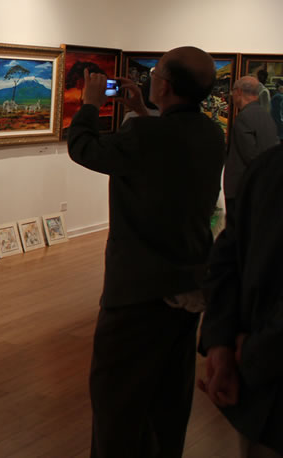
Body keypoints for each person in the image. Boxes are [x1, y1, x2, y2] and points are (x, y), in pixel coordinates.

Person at [67, 46, 226, 458]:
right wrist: (141, 111)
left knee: (117, 401)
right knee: (168, 398)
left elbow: (83, 148)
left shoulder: (144, 137)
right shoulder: (211, 134)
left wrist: (89, 104)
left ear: (165, 86)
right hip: (189, 284)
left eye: (154, 74)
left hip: (138, 291)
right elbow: (166, 150)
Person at [199, 143, 283, 457]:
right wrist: (225, 346)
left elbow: (225, 260)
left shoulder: (265, 168)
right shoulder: (266, 169)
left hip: (259, 399)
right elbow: (228, 258)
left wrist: (226, 347)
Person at [223, 76, 279, 215]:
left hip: (242, 189)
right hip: (260, 188)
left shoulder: (244, 118)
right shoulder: (266, 116)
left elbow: (250, 156)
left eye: (232, 92)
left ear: (239, 92)